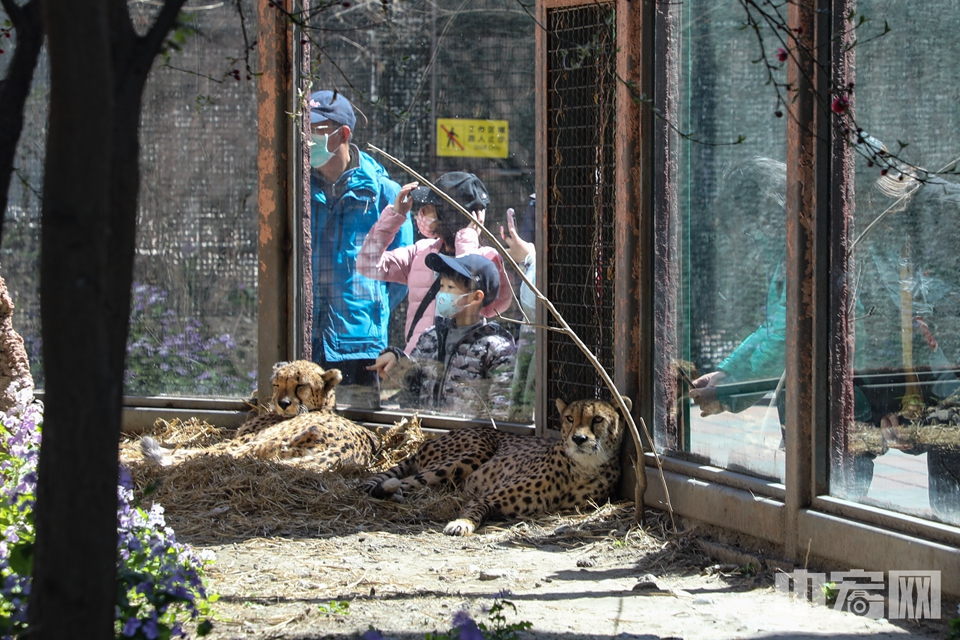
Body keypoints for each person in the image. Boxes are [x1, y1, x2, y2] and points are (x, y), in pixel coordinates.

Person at [307, 90, 414, 403]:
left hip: (359, 344)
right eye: (305, 131)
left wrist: (369, 310)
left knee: (355, 431)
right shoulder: (296, 187)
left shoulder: (384, 195)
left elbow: (399, 277)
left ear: (343, 134)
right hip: (304, 336)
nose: (309, 139)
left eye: (318, 131)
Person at [357, 171, 512, 353]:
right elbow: (367, 264)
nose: (422, 212)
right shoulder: (421, 252)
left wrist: (466, 243)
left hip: (460, 365)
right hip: (416, 364)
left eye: (430, 206)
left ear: (448, 214)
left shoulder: (487, 258)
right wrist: (394, 216)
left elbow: (496, 307)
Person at [366, 253, 516, 419]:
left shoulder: (496, 348)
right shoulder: (430, 337)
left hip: (469, 438)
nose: (442, 294)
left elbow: (502, 409)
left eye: (450, 288)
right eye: (442, 286)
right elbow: (414, 380)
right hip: (428, 430)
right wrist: (397, 361)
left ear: (476, 297)